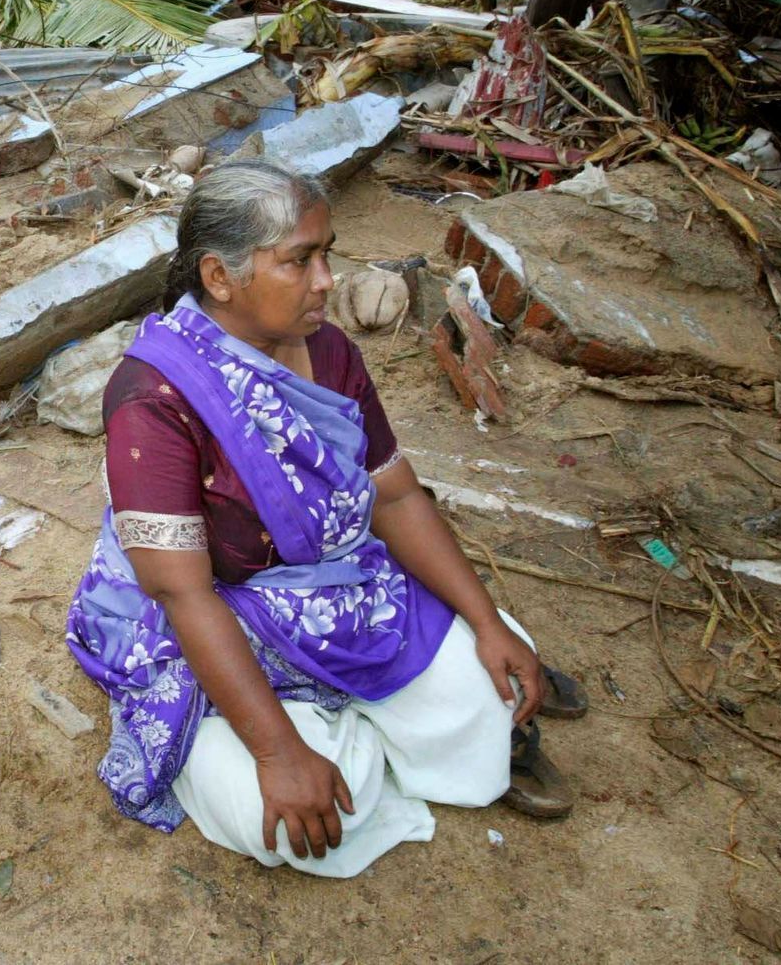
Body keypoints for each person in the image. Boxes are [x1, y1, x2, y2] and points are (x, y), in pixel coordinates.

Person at [66, 161, 581, 878]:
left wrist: (488, 621)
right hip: (214, 620)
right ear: (220, 276)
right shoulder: (152, 398)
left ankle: (374, 721)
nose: (327, 280)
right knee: (283, 816)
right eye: (299, 260)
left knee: (496, 683)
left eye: (327, 252)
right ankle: (345, 730)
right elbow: (183, 593)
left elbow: (396, 497)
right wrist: (277, 752)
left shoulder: (330, 352)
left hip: (334, 591)